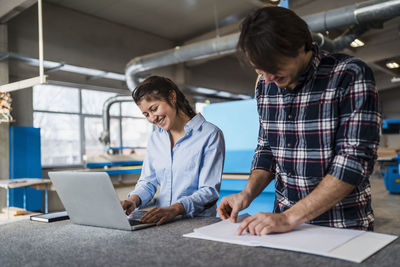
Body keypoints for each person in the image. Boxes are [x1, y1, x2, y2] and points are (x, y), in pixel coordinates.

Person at [217, 6, 380, 236]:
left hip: (342, 225)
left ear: (301, 46)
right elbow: (267, 150)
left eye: (274, 68)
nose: (268, 78)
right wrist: (247, 194)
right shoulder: (266, 86)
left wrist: (289, 217)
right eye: (260, 70)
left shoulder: (350, 75)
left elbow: (354, 161)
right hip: (282, 227)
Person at [121, 75, 225, 225]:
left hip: (198, 223)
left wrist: (176, 208)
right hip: (162, 223)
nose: (152, 118)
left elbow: (209, 191)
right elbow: (148, 182)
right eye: (146, 114)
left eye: (154, 108)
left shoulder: (210, 134)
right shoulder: (156, 139)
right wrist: (133, 200)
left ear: (172, 96)